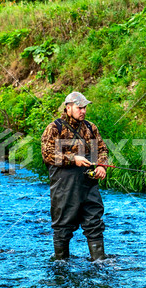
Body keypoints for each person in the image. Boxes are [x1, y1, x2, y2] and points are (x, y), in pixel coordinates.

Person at [41, 92, 109, 261]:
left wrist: (101, 165)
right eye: (79, 108)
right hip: (64, 187)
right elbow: (47, 155)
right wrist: (73, 159)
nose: (83, 111)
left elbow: (102, 150)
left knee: (95, 223)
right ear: (68, 107)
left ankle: (99, 263)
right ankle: (61, 265)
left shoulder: (90, 128)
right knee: (62, 227)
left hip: (89, 185)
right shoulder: (54, 128)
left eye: (84, 107)